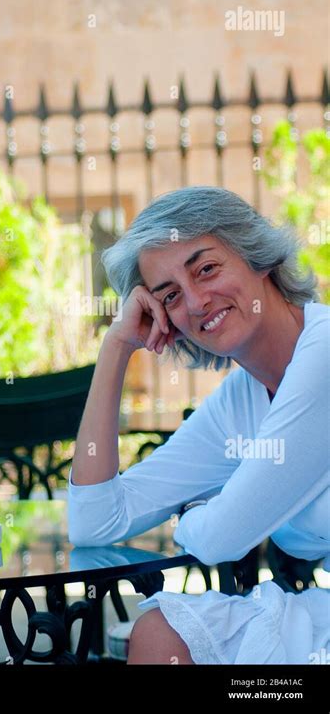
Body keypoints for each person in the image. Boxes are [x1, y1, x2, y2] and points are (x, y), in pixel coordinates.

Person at [67, 186, 329, 665]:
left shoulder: (325, 352)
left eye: (206, 269)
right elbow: (94, 521)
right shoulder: (239, 401)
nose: (196, 301)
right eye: (169, 296)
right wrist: (116, 349)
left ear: (257, 256)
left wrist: (191, 518)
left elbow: (221, 538)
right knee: (160, 633)